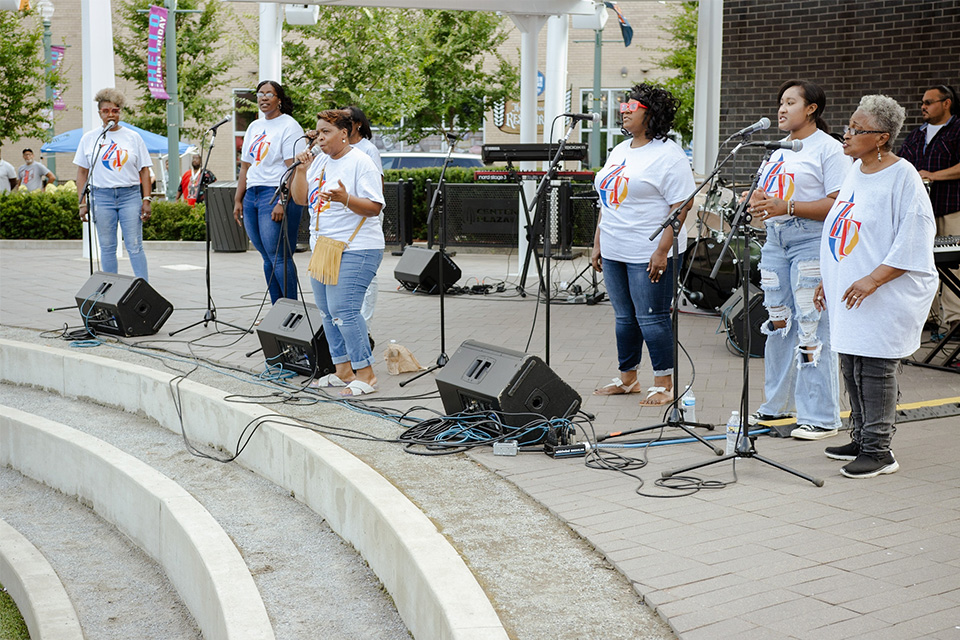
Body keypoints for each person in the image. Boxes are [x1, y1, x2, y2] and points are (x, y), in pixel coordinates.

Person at [815, 94, 937, 478]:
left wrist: (873, 278)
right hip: (850, 289)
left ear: (882, 137)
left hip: (884, 291)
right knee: (851, 363)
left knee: (876, 367)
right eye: (848, 127)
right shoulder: (855, 171)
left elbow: (914, 239)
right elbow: (842, 226)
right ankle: (862, 435)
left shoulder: (904, 177)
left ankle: (879, 449)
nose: (846, 135)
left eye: (856, 129)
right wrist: (826, 277)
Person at [745, 80, 850, 440]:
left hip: (811, 241)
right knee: (779, 325)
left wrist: (787, 206)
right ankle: (776, 407)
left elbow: (840, 203)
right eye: (780, 102)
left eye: (791, 102)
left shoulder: (829, 149)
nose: (781, 108)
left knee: (811, 325)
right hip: (775, 240)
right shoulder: (778, 150)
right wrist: (756, 198)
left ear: (812, 109)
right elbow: (771, 197)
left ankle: (820, 416)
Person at [591, 83, 695, 406]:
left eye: (631, 106)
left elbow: (681, 207)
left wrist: (662, 250)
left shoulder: (668, 154)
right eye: (624, 105)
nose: (624, 110)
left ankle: (664, 383)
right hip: (614, 248)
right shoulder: (620, 151)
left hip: (648, 251)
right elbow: (606, 202)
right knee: (624, 318)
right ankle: (628, 380)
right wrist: (597, 243)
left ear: (650, 114)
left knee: (652, 317)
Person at [290, 109, 384, 397]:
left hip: (358, 247)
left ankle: (366, 373)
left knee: (345, 309)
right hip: (324, 246)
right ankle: (342, 368)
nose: (320, 138)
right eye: (317, 132)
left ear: (344, 133)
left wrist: (346, 199)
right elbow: (300, 198)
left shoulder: (360, 162)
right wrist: (301, 170)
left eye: (326, 132)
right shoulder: (318, 163)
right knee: (328, 312)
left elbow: (375, 207)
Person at [233, 80, 305, 304]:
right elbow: (245, 167)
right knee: (266, 257)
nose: (263, 98)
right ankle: (277, 310)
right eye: (260, 94)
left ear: (279, 99)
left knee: (279, 256)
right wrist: (238, 199)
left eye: (269, 94)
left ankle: (292, 311)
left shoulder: (289, 126)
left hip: (273, 194)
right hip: (252, 195)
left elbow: (293, 168)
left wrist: (283, 201)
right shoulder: (255, 127)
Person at [73, 88, 153, 281]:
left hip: (129, 195)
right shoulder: (90, 138)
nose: (111, 114)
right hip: (102, 196)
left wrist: (147, 199)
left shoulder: (133, 137)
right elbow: (82, 172)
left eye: (115, 111)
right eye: (106, 111)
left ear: (120, 112)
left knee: (134, 245)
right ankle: (110, 290)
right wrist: (82, 203)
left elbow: (144, 170)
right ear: (100, 113)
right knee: (107, 247)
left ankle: (144, 290)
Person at [898, 85, 960, 330]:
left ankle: (955, 320)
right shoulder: (915, 135)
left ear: (946, 103)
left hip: (952, 205)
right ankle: (928, 317)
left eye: (929, 102)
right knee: (924, 262)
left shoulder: (957, 130)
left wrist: (932, 175)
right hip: (923, 211)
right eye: (922, 102)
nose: (923, 106)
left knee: (955, 265)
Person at [341, 105, 383, 333]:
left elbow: (378, 189)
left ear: (358, 124)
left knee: (367, 273)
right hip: (343, 217)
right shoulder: (339, 148)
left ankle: (364, 324)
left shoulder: (368, 150)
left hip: (364, 215)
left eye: (347, 119)